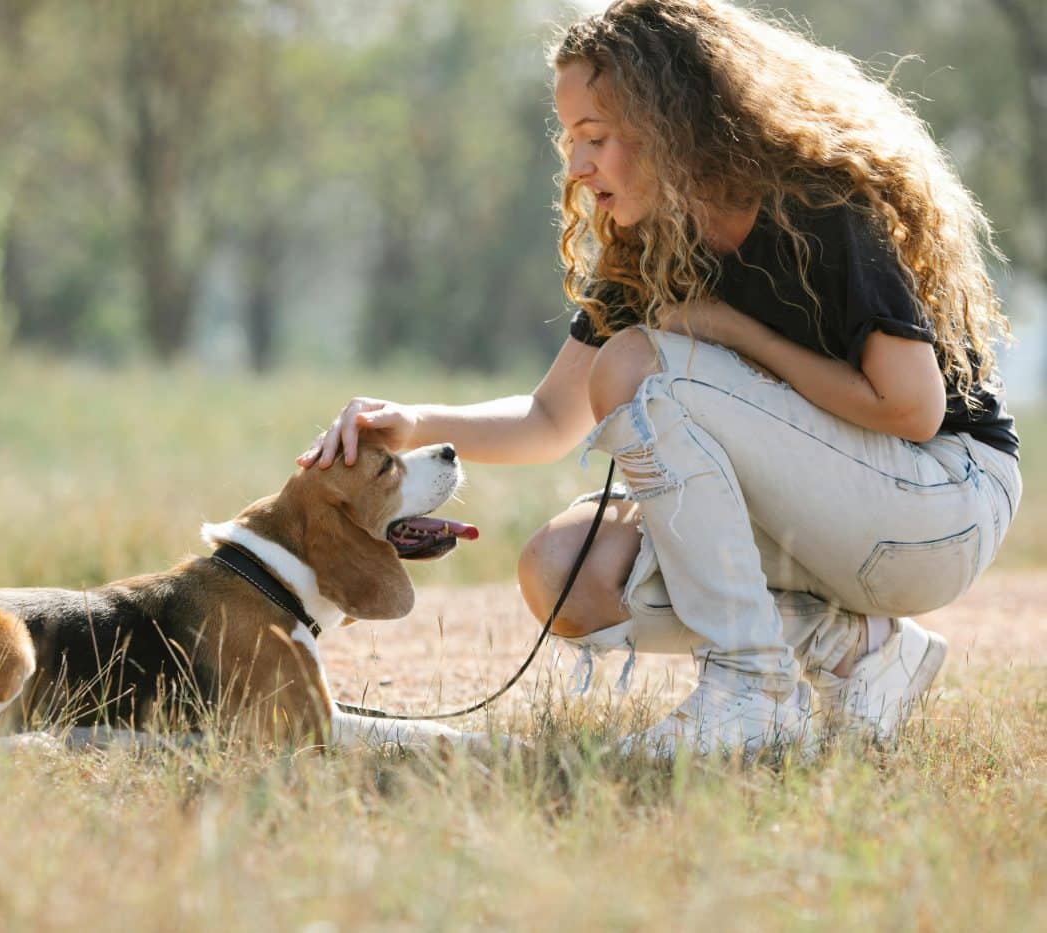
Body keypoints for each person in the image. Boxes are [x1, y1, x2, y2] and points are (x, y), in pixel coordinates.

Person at [297, 0, 1021, 758]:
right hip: (835, 523)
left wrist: (731, 330)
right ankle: (858, 650)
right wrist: (413, 422)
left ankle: (752, 692)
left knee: (640, 364)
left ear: (671, 123)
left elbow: (910, 407)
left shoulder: (819, 204)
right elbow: (548, 419)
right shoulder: (650, 245)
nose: (577, 167)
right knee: (564, 571)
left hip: (941, 507)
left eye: (595, 139)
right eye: (570, 141)